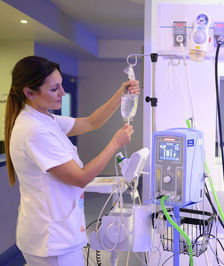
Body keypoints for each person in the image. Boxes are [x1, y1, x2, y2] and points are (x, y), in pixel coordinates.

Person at [4, 56, 140, 265]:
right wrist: (115, 144)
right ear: (29, 92)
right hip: (52, 240)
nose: (62, 93)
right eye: (54, 89)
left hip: (55, 233)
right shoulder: (33, 129)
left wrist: (121, 94)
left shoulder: (45, 118)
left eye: (61, 86)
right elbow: (81, 178)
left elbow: (91, 122)